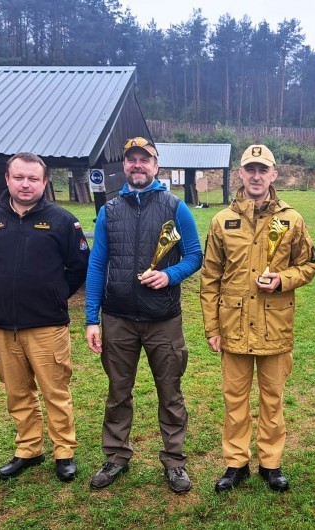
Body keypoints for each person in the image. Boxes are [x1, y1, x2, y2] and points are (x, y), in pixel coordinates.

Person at [85, 137, 203, 494]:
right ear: (125, 165)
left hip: (163, 318)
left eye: (145, 159)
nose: (138, 165)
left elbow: (195, 255)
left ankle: (175, 460)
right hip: (118, 318)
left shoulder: (175, 207)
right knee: (118, 391)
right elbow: (97, 263)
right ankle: (117, 456)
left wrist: (169, 275)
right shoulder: (110, 210)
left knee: (170, 391)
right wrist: (93, 317)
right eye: (132, 160)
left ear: (156, 165)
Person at [200, 144, 315, 493]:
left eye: (262, 169)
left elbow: (309, 265)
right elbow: (210, 279)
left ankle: (270, 462)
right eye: (250, 169)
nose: (256, 175)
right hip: (233, 326)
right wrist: (211, 327)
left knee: (272, 399)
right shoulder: (222, 220)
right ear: (240, 173)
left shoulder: (292, 219)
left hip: (274, 326)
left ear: (273, 174)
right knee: (234, 401)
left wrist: (283, 280)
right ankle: (236, 463)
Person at [0, 152, 89, 483]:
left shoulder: (63, 220)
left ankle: (64, 451)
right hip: (3, 325)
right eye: (19, 178)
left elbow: (79, 265)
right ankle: (28, 449)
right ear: (7, 179)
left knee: (55, 391)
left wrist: (53, 294)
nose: (26, 184)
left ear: (44, 182)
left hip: (47, 324)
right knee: (17, 392)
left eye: (33, 179)